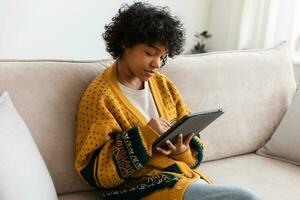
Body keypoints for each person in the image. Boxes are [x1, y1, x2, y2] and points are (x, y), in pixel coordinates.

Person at [74, 2, 260, 200]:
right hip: (138, 189)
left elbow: (189, 132)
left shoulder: (163, 84)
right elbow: (94, 170)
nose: (156, 64)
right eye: (150, 53)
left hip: (179, 178)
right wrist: (146, 135)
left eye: (163, 57)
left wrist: (183, 151)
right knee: (245, 197)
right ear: (125, 43)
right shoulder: (100, 96)